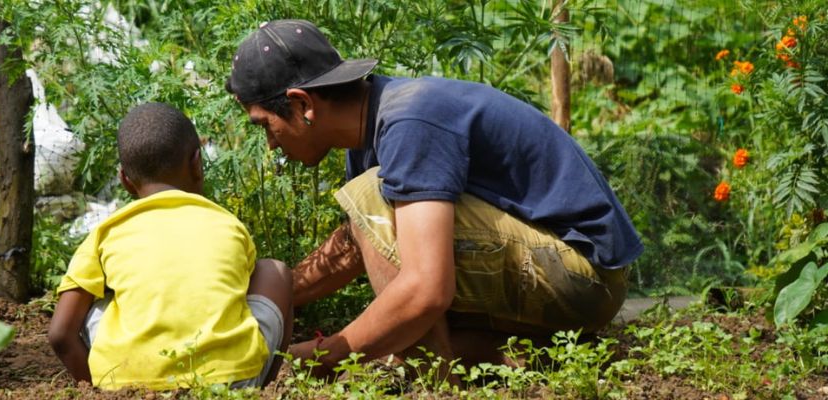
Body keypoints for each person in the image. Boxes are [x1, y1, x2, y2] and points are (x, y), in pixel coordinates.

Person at [225, 19, 643, 378]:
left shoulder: (409, 121)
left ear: (302, 105)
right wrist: (271, 296)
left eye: (265, 125)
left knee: (377, 207)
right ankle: (516, 355)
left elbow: (426, 289)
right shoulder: (373, 125)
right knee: (395, 317)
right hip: (570, 278)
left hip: (586, 277)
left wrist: (326, 355)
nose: (271, 146)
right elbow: (359, 239)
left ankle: (435, 373)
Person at [47, 102, 293, 390]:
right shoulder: (227, 224)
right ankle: (265, 387)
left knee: (95, 298)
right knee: (274, 270)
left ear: (125, 179)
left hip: (129, 385)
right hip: (231, 382)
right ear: (197, 163)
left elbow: (61, 333)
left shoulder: (106, 232)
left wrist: (96, 389)